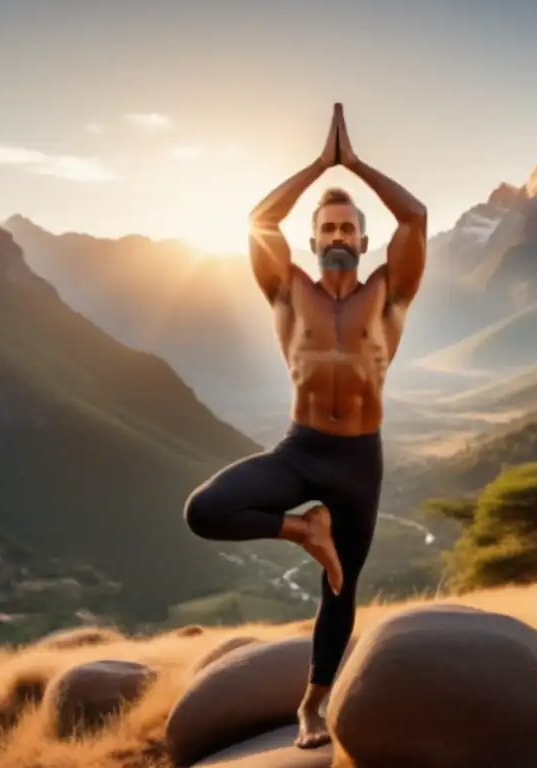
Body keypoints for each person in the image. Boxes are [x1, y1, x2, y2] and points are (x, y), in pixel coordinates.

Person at [182, 103, 427, 749]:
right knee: (206, 511)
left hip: (359, 462)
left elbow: (416, 217)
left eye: (349, 226)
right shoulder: (287, 291)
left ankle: (311, 710)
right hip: (302, 449)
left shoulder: (390, 294)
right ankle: (302, 527)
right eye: (329, 227)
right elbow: (260, 220)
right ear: (313, 240)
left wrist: (357, 165)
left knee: (340, 590)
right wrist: (321, 166)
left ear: (364, 240)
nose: (340, 234)